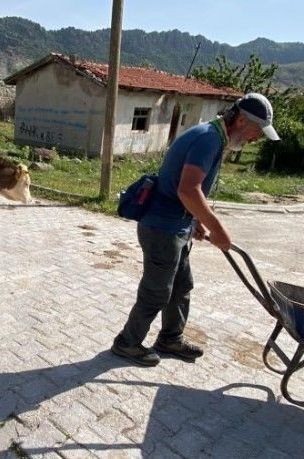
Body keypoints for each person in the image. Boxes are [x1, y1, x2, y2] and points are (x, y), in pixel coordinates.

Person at [112, 93, 280, 367]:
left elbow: (188, 190)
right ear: (240, 120)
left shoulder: (213, 136)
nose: (256, 139)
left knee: (181, 286)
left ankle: (170, 338)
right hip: (162, 228)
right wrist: (218, 228)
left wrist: (196, 220)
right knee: (157, 291)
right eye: (257, 132)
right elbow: (188, 189)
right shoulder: (208, 139)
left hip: (177, 225)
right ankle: (127, 343)